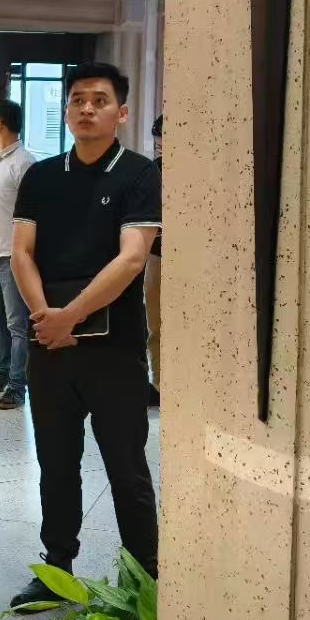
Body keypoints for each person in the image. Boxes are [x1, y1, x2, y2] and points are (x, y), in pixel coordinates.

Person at [8, 61, 161, 607]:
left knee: (126, 466)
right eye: (77, 100)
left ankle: (146, 580)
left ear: (122, 112)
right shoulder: (41, 176)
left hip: (114, 351)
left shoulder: (140, 175)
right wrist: (46, 318)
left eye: (99, 100)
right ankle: (57, 570)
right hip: (51, 346)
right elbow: (21, 253)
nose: (87, 109)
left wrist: (68, 316)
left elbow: (132, 258)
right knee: (55, 463)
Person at [0, 97, 37, 410]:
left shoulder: (24, 163)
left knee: (17, 324)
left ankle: (17, 385)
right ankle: (3, 370)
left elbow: (34, 213)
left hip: (11, 256)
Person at [146, 114, 163, 407]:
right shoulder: (153, 170)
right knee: (155, 322)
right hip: (156, 252)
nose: (159, 142)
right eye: (157, 137)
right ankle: (159, 382)